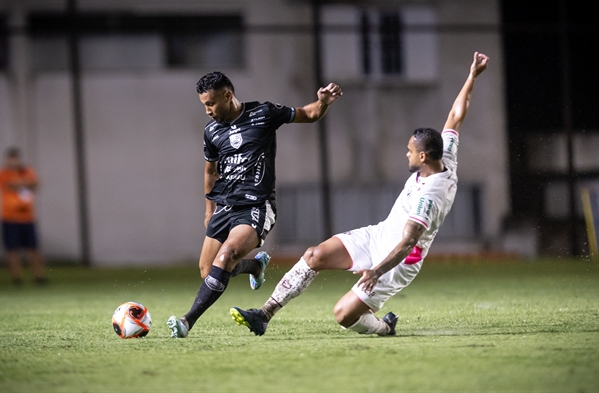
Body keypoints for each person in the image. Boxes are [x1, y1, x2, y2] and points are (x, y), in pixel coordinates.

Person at [230, 52, 489, 337]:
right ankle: (263, 315)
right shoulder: (445, 157)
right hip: (379, 236)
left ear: (424, 155)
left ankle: (383, 326)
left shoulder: (430, 196)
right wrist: (471, 76)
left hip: (398, 262)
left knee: (343, 315)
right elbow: (455, 115)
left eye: (410, 151)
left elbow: (408, 243)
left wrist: (376, 271)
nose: (407, 154)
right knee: (314, 255)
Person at [167, 72, 343, 338]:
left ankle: (186, 321)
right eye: (204, 104)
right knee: (208, 271)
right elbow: (209, 172)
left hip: (256, 206)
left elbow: (308, 114)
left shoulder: (264, 113)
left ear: (227, 95)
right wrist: (209, 209)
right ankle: (255, 266)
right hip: (225, 205)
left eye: (210, 103)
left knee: (224, 258)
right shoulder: (212, 131)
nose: (207, 111)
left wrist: (323, 103)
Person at [0, 147, 46, 285]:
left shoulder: (27, 171)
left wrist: (20, 183)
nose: (14, 162)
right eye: (11, 159)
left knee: (33, 248)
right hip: (10, 217)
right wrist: (23, 182)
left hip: (28, 217)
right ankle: (17, 277)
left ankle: (38, 276)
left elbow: (35, 184)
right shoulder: (4, 173)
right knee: (12, 249)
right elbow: (10, 185)